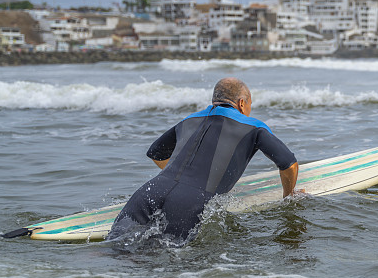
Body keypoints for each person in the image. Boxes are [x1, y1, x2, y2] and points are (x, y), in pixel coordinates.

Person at [109, 77, 299, 241]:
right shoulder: (254, 126)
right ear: (242, 103)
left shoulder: (189, 119)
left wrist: (180, 179)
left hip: (149, 192)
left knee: (115, 248)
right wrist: (288, 197)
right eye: (250, 104)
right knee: (162, 259)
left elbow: (155, 153)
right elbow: (289, 164)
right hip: (190, 201)